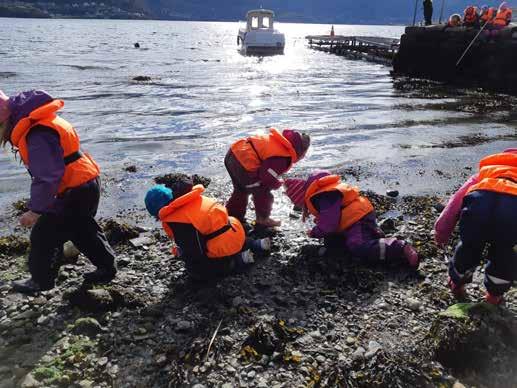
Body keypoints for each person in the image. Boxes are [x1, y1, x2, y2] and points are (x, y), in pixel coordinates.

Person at [0, 90, 116, 294]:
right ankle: (107, 267)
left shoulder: (36, 133)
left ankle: (41, 281)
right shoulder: (39, 120)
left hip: (75, 190)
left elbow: (47, 176)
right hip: (86, 182)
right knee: (82, 230)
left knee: (43, 235)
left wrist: (35, 210)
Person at [284, 170, 419, 268]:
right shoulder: (325, 192)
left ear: (304, 196)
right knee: (335, 241)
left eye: (301, 204)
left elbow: (330, 223)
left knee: (358, 247)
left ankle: (399, 247)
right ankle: (373, 233)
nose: (304, 208)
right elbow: (332, 215)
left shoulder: (323, 197)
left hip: (356, 218)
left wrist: (315, 232)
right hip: (360, 214)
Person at [145, 177, 271, 281]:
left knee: (198, 271)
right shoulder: (193, 198)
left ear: (158, 211)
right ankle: (257, 244)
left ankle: (238, 260)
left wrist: (184, 255)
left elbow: (196, 250)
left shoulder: (179, 220)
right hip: (236, 232)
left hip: (224, 246)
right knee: (238, 239)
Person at [434, 149, 517, 305]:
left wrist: (441, 232)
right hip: (512, 211)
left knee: (468, 247)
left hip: (478, 205)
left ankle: (457, 283)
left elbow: (454, 203)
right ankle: (494, 295)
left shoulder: (482, 174)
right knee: (504, 254)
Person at [225, 128, 310, 228]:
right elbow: (267, 177)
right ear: (299, 151)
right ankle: (263, 219)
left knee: (241, 190)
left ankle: (232, 216)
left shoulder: (278, 142)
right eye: (304, 154)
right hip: (244, 164)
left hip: (233, 154)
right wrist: (278, 184)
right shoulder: (282, 158)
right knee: (263, 190)